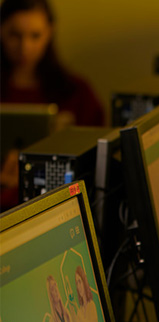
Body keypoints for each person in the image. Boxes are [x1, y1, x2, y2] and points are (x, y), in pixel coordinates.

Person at [0, 0, 105, 211]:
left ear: (49, 32)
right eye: (15, 35)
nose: (24, 47)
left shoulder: (76, 92)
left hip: (57, 208)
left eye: (35, 36)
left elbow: (98, 166)